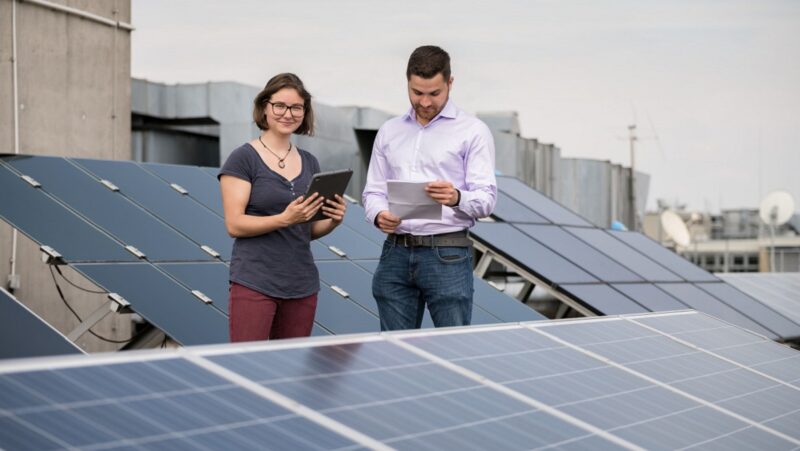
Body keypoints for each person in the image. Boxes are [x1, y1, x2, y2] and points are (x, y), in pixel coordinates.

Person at [363, 45, 497, 331]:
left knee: (452, 352)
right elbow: (373, 191)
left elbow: (487, 200)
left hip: (447, 254)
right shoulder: (390, 131)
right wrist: (378, 215)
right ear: (407, 82)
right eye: (416, 92)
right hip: (395, 253)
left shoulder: (473, 131)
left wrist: (456, 197)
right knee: (394, 354)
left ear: (450, 83)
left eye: (434, 93)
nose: (424, 102)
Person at [218, 73, 347, 342]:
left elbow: (306, 230)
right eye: (280, 105)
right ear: (265, 107)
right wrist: (285, 219)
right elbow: (234, 224)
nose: (288, 113)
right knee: (248, 367)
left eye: (296, 107)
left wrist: (333, 220)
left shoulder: (310, 162)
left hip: (302, 286)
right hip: (255, 282)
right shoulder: (243, 159)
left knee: (290, 372)